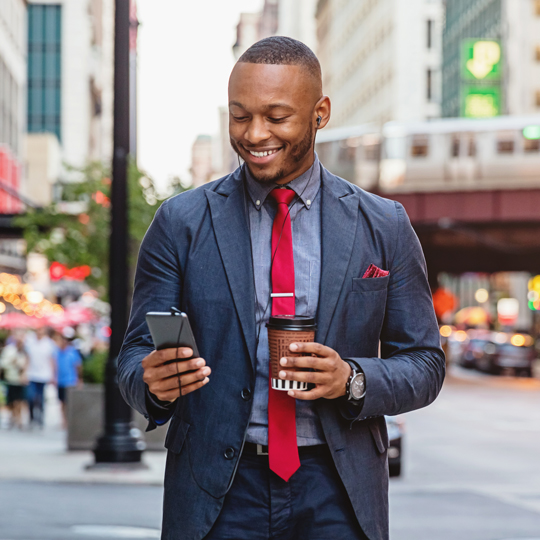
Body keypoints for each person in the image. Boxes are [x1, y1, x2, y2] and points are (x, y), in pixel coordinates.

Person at [118, 37, 445, 540]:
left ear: (321, 113)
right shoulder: (180, 222)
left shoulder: (384, 224)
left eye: (276, 117)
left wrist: (351, 378)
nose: (254, 134)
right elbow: (134, 353)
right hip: (216, 489)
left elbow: (424, 363)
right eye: (239, 115)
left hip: (338, 488)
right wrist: (152, 386)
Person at [25, 327, 56, 428]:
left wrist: (53, 375)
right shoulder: (30, 342)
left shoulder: (49, 344)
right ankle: (31, 417)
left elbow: (51, 360)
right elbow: (28, 358)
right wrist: (25, 372)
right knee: (30, 397)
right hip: (32, 374)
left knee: (41, 397)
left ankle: (40, 418)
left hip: (43, 375)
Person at [53, 329, 82, 428]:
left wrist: (79, 379)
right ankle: (64, 421)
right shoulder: (57, 352)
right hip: (60, 381)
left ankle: (69, 420)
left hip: (70, 381)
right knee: (62, 403)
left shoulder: (72, 352)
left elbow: (78, 366)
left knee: (69, 402)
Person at [0, 333, 28, 429]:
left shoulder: (25, 351)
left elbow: (27, 364)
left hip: (21, 380)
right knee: (11, 400)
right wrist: (12, 361)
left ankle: (19, 419)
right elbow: (3, 364)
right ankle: (13, 417)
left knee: (20, 400)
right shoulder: (9, 350)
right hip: (11, 378)